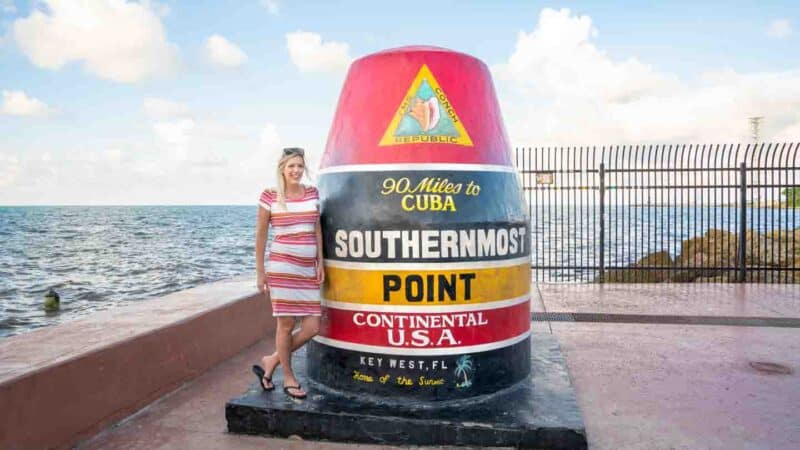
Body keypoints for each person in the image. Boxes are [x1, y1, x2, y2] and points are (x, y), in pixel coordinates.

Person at [252, 147, 323, 400]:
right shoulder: (269, 196)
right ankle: (289, 377)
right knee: (286, 325)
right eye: (291, 166)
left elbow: (317, 231)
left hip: (306, 271)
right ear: (282, 168)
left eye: (300, 166)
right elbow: (261, 236)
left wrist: (320, 264)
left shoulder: (312, 193)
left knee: (313, 326)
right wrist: (260, 273)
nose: (296, 171)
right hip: (282, 268)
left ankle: (271, 361)